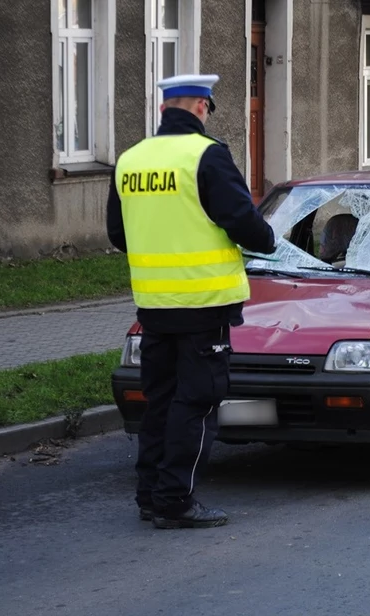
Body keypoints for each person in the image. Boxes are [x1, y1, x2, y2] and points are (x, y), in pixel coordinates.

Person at [105, 74, 277, 529]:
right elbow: (244, 222)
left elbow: (118, 235)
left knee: (160, 400)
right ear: (202, 108)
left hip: (153, 307)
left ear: (165, 110)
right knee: (197, 402)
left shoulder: (130, 160)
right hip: (204, 304)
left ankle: (150, 495)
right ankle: (175, 500)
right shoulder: (206, 156)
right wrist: (267, 240)